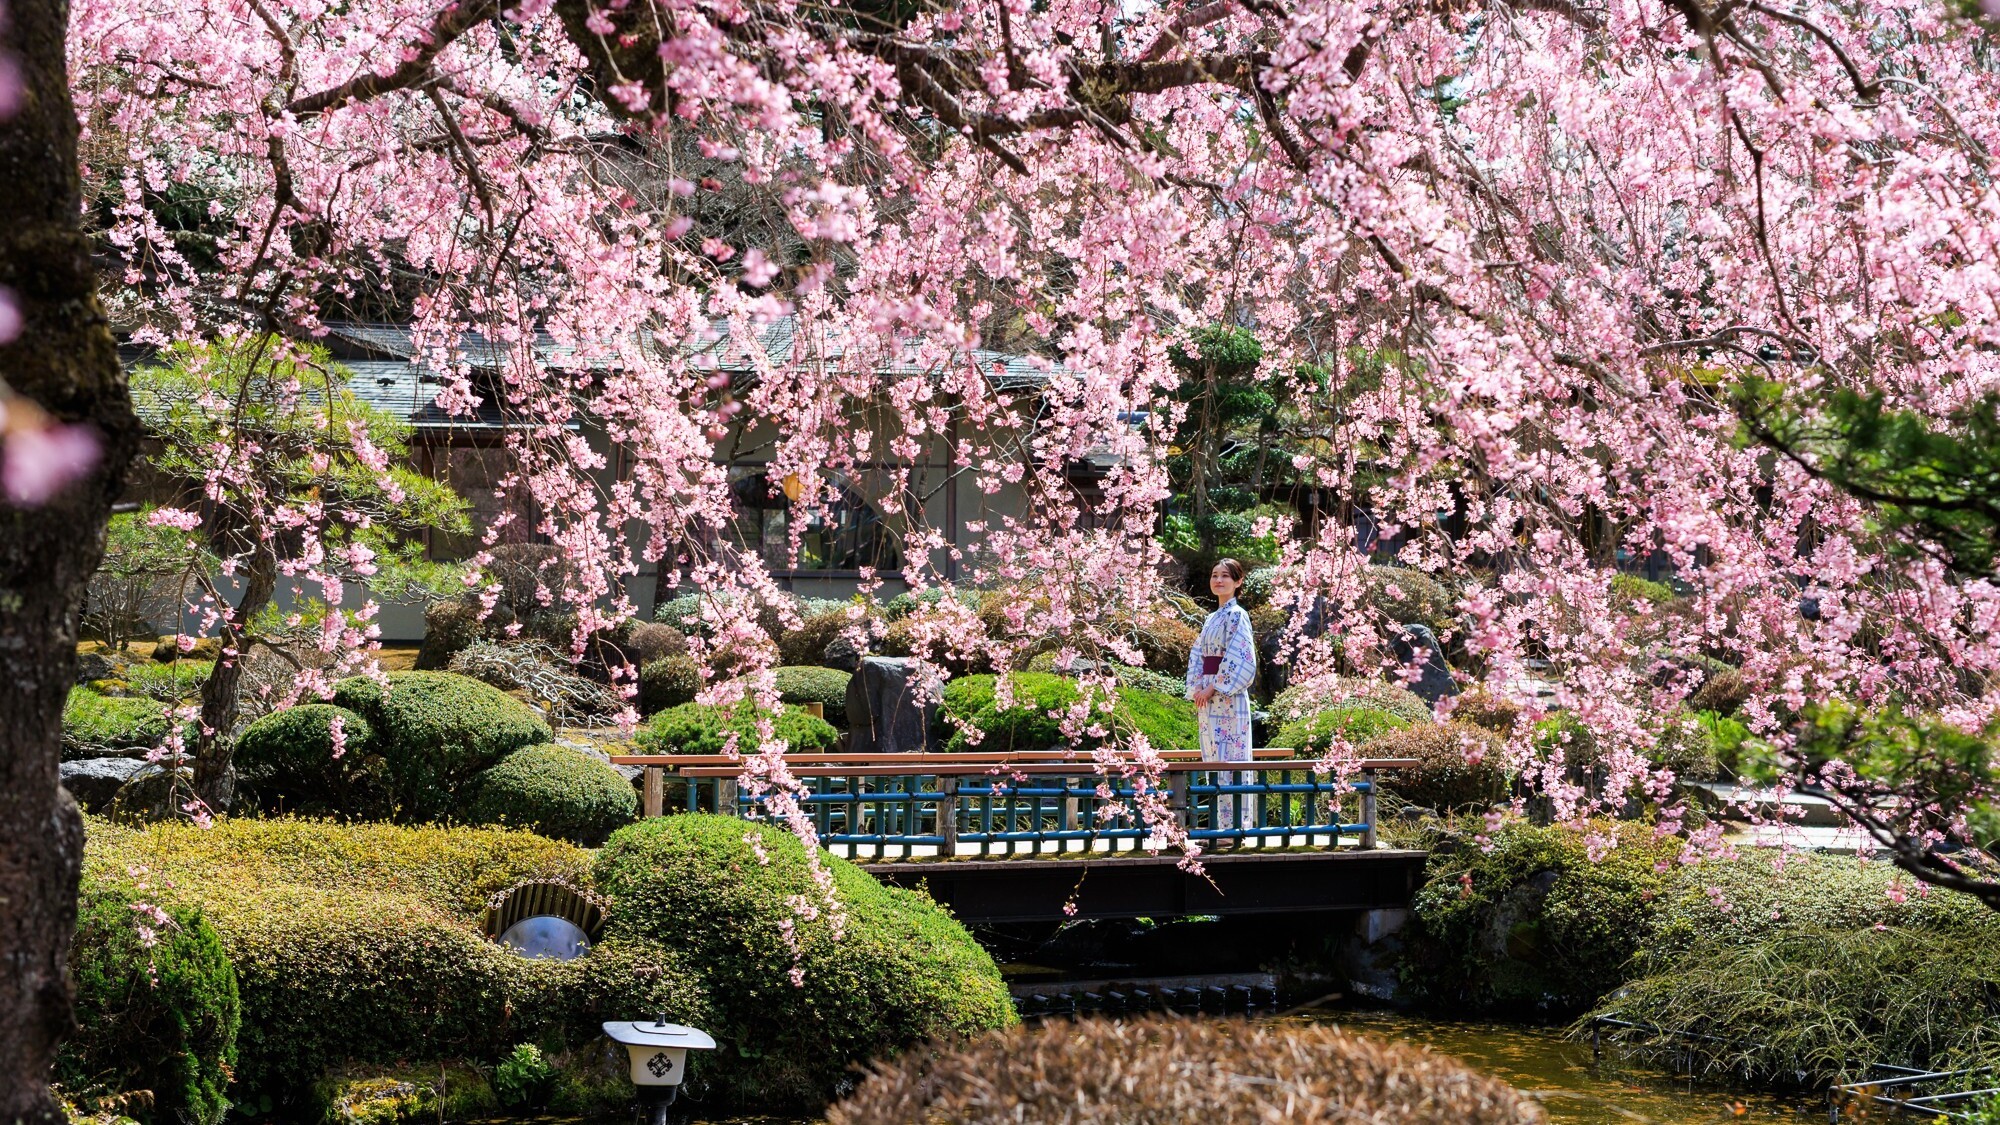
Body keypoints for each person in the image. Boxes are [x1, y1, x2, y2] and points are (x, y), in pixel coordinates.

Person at [1187, 558, 1256, 846]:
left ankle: (1235, 830)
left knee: (1232, 759)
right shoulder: (1211, 618)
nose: (1218, 580)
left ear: (1238, 582)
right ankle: (1219, 828)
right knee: (1213, 759)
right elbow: (1198, 656)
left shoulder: (1237, 615)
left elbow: (1241, 658)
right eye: (1215, 575)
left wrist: (1213, 687)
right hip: (1208, 698)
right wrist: (1197, 688)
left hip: (1228, 697)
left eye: (1225, 576)